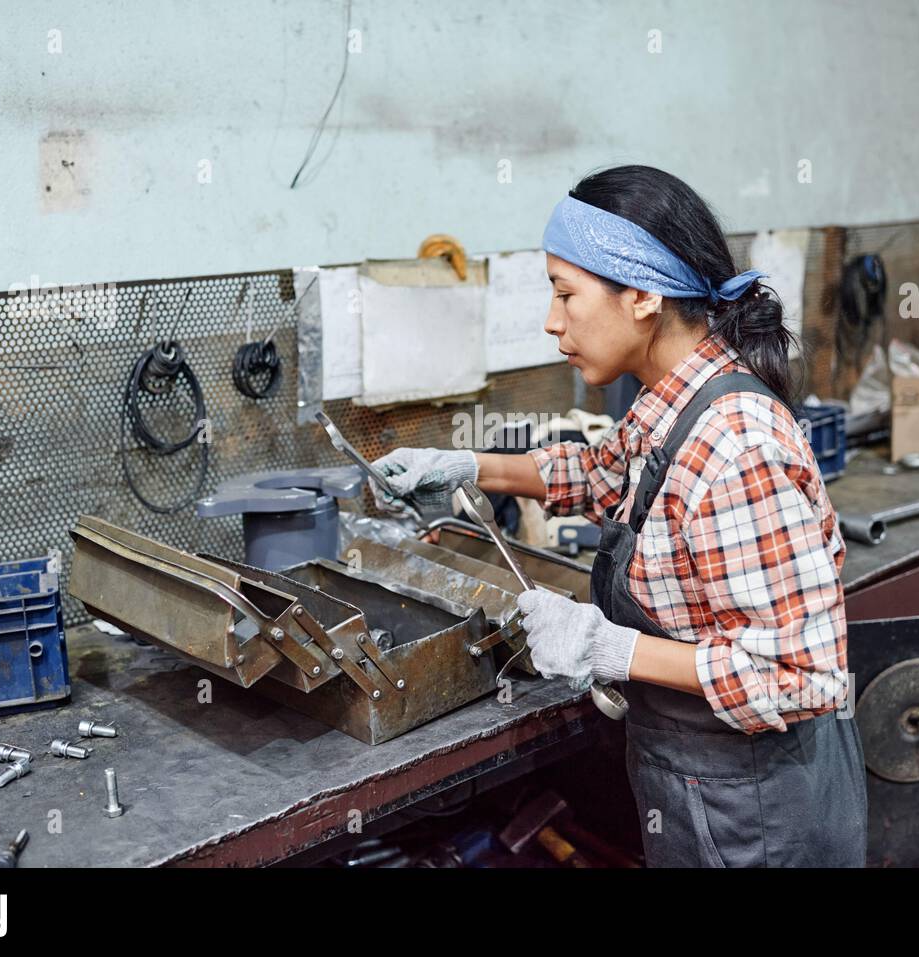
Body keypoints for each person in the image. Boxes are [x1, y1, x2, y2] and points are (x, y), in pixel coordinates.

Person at [371, 165, 867, 868]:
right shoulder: (669, 401)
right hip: (698, 784)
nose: (552, 320)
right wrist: (467, 469)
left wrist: (611, 648)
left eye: (566, 294)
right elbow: (601, 471)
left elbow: (801, 673)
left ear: (640, 294)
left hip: (759, 810)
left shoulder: (736, 448)